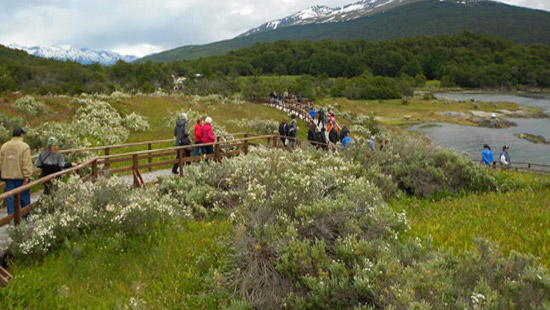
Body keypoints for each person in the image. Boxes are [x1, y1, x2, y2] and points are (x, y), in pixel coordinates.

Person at [0, 127, 32, 216]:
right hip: (21, 177)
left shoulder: (4, 146)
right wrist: (27, 175)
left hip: (8, 177)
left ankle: (11, 218)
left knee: (10, 198)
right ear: (21, 134)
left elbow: (1, 162)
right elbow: (26, 162)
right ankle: (25, 218)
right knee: (24, 198)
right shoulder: (24, 146)